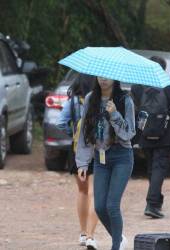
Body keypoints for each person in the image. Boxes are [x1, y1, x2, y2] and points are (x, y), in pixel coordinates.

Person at [75, 77, 136, 250]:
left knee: (112, 205)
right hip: (100, 157)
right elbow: (84, 133)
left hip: (122, 156)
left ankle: (116, 245)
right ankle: (119, 238)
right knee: (100, 206)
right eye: (99, 75)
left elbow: (128, 134)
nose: (103, 79)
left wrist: (115, 114)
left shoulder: (125, 100)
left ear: (114, 78)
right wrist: (82, 163)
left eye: (106, 76)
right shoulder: (90, 99)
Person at [131, 56, 170, 219]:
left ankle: (156, 200)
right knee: (159, 168)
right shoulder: (169, 88)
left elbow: (135, 113)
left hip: (145, 134)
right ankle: (153, 204)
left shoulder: (137, 87)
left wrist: (134, 137)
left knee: (151, 168)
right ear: (162, 69)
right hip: (165, 134)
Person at [56, 74, 98, 249]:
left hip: (76, 150)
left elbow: (61, 122)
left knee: (82, 192)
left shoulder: (72, 102)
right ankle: (90, 236)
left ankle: (82, 233)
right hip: (96, 151)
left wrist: (74, 134)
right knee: (94, 193)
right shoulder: (97, 100)